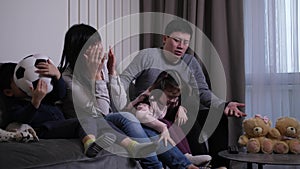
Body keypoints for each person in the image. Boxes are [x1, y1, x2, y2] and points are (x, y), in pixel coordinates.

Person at [58, 23, 201, 169]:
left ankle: (187, 165)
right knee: (132, 119)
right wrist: (96, 78)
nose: (100, 50)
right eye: (94, 46)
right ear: (80, 51)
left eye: (99, 44)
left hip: (115, 120)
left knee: (149, 131)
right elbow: (103, 114)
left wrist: (112, 73)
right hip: (95, 126)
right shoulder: (68, 79)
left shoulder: (102, 70)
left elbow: (119, 104)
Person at [120, 19, 247, 168]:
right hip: (152, 110)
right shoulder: (148, 56)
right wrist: (127, 108)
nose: (181, 46)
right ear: (165, 38)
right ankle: (200, 165)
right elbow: (124, 79)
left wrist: (223, 105)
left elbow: (202, 91)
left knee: (217, 115)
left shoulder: (190, 62)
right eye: (176, 40)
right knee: (189, 116)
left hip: (178, 109)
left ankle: (220, 166)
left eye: (186, 42)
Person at [0, 62, 157, 159]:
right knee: (83, 120)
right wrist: (35, 102)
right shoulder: (14, 106)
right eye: (17, 82)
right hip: (44, 130)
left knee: (99, 120)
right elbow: (22, 118)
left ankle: (132, 145)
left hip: (61, 124)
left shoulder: (40, 92)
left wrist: (57, 76)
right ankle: (90, 143)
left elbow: (60, 93)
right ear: (8, 92)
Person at [127, 70, 212, 166]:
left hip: (154, 121)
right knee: (166, 124)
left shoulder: (168, 100)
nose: (173, 100)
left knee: (174, 124)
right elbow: (141, 116)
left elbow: (173, 106)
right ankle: (185, 156)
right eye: (170, 96)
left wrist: (180, 108)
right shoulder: (148, 100)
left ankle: (188, 155)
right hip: (138, 125)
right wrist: (162, 127)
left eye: (176, 97)